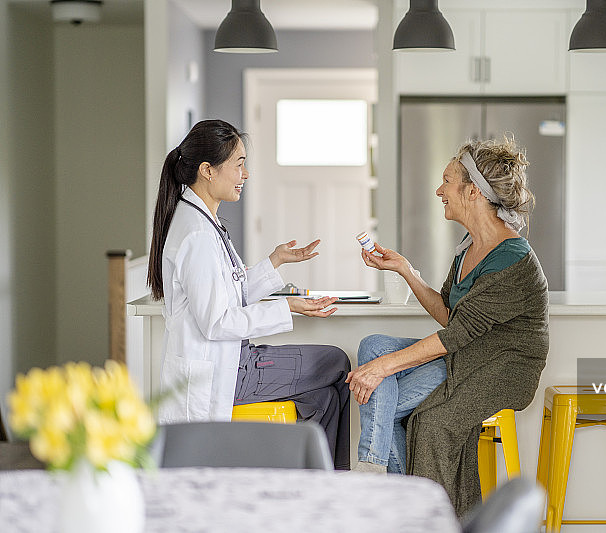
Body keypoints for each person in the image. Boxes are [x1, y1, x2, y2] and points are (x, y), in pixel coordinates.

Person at [346, 137, 549, 514]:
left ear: (473, 192)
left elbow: (456, 333)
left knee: (400, 409)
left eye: (447, 182)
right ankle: (383, 479)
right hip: (467, 352)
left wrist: (383, 369)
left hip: (501, 366)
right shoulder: (469, 247)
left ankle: (400, 503)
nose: (439, 191)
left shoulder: (513, 259)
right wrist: (405, 269)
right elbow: (448, 313)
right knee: (374, 346)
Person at [147, 119, 351, 470]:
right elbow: (217, 322)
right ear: (208, 170)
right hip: (228, 370)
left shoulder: (203, 222)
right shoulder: (197, 235)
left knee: (325, 398)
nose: (246, 174)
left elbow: (229, 294)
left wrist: (275, 262)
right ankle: (335, 483)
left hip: (234, 360)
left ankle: (321, 483)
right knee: (336, 362)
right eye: (239, 164)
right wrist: (288, 306)